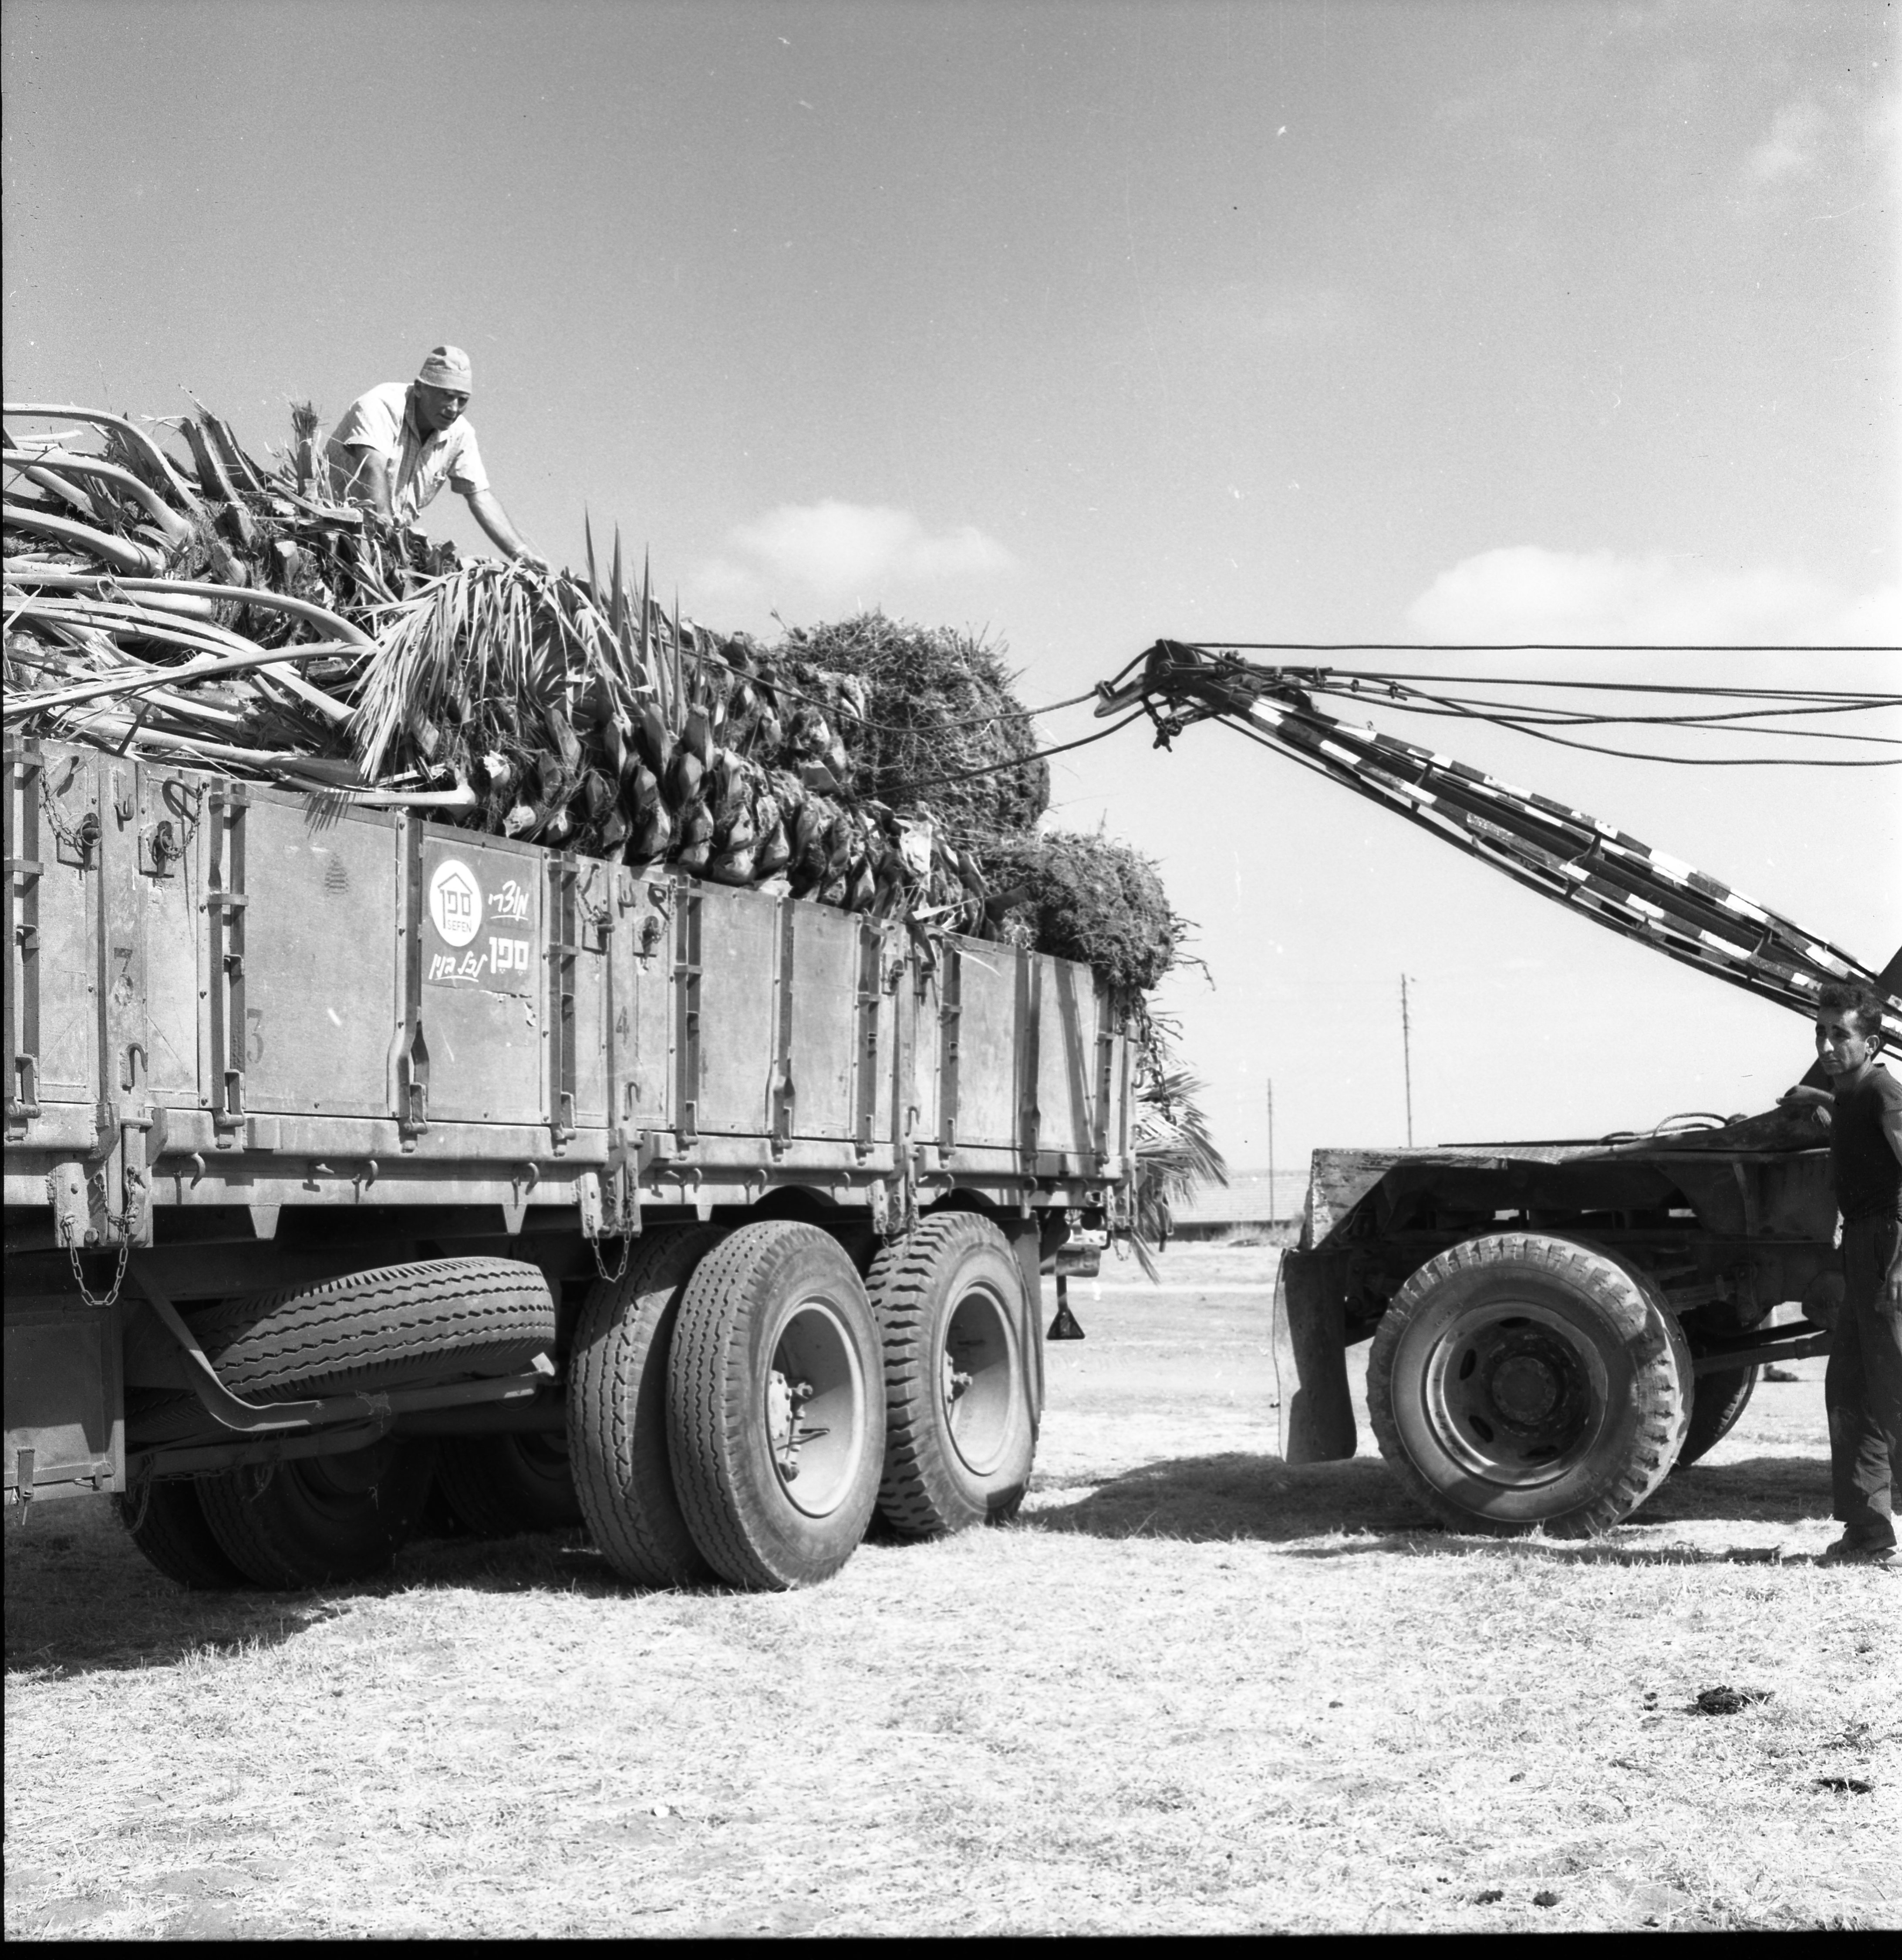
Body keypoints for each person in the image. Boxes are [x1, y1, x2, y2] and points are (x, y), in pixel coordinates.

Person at [1787, 979, 1902, 1564]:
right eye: (1821, 1033)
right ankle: (1867, 1533)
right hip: (1861, 1245)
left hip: (1890, 1250)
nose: (1828, 1045)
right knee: (1851, 1391)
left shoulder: (1884, 1091)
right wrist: (1820, 1104)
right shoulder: (1850, 1096)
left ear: (1873, 1041)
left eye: (1841, 1034)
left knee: (1896, 1390)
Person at [325, 345, 547, 567]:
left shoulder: (460, 433)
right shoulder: (381, 404)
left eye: (463, 400)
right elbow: (372, 467)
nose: (454, 409)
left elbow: (480, 496)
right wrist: (386, 537)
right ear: (421, 388)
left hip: (391, 547)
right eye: (448, 397)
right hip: (332, 530)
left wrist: (522, 554)